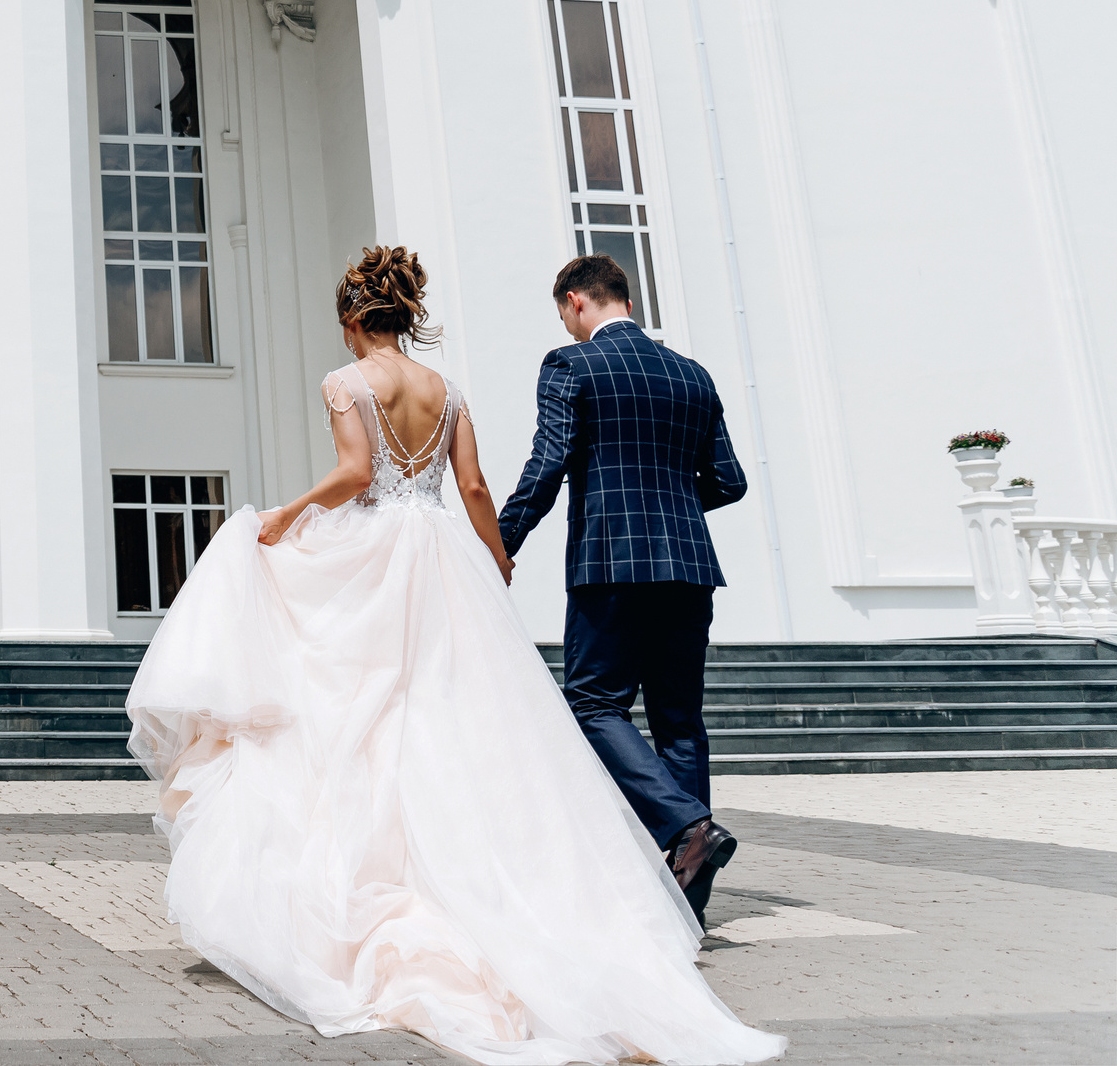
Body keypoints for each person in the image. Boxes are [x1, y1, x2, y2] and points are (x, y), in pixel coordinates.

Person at [127, 247, 780, 1065]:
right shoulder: (469, 388)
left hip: (406, 554)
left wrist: (289, 514)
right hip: (484, 554)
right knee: (512, 714)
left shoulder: (353, 381)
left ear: (355, 319)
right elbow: (474, 487)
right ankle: (685, 878)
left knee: (375, 708)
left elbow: (363, 471)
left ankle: (653, 837)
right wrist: (494, 559)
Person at [497, 253, 747, 925]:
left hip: (611, 562)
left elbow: (547, 466)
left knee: (590, 702)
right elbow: (729, 481)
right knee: (680, 722)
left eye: (565, 314)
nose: (567, 326)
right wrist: (668, 503)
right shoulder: (693, 375)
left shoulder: (571, 365)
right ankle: (688, 905)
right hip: (690, 567)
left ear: (577, 300)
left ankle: (685, 823)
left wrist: (500, 543)